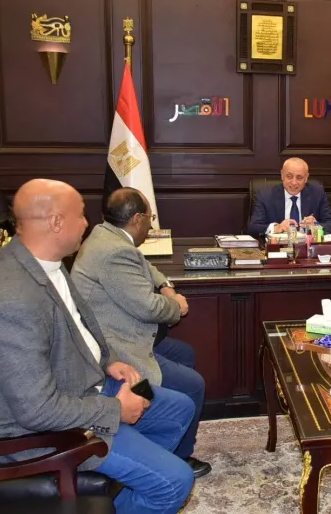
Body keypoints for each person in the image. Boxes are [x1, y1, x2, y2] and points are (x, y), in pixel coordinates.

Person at [0, 179, 195, 514]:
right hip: (40, 432)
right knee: (175, 482)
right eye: (81, 215)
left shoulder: (47, 262)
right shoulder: (10, 303)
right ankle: (143, 480)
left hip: (86, 383)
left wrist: (109, 360)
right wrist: (115, 410)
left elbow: (82, 329)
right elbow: (37, 410)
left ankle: (124, 490)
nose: (87, 223)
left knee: (179, 408)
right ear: (56, 222)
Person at [72, 187, 211, 477]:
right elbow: (148, 308)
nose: (151, 224)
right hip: (117, 348)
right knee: (193, 385)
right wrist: (176, 305)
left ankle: (159, 425)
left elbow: (146, 266)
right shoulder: (115, 252)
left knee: (184, 353)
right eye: (150, 217)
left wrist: (165, 286)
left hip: (127, 332)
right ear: (136, 219)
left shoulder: (106, 234)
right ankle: (179, 456)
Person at [247, 157, 331, 236]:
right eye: (289, 176)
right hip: (279, 247)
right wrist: (277, 227)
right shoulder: (266, 195)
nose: (294, 182)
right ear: (282, 175)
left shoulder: (317, 193)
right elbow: (253, 228)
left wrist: (316, 226)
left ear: (306, 178)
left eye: (299, 178)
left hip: (307, 246)